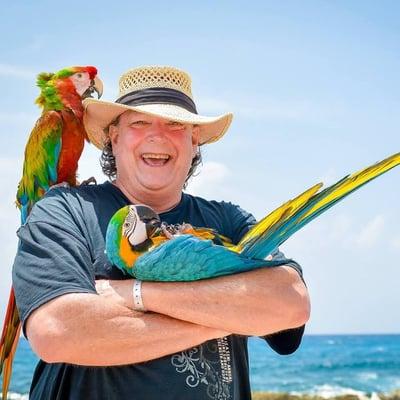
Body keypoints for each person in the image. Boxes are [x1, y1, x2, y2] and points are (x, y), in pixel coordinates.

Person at [12, 66, 310, 400]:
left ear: (194, 140)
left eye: (175, 124)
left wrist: (134, 294)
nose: (158, 135)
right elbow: (58, 333)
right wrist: (235, 314)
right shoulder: (64, 210)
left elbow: (291, 305)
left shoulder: (229, 221)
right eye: (139, 123)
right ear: (114, 136)